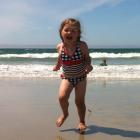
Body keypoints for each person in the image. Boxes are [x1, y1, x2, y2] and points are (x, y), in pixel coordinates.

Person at [53, 18, 93, 133]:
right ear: (61, 32)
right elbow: (61, 58)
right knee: (62, 97)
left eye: (74, 31)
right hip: (67, 77)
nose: (70, 33)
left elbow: (87, 59)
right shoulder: (59, 47)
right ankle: (65, 114)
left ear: (78, 34)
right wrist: (57, 66)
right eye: (67, 30)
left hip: (81, 78)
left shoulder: (82, 46)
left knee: (79, 101)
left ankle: (82, 121)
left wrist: (88, 66)